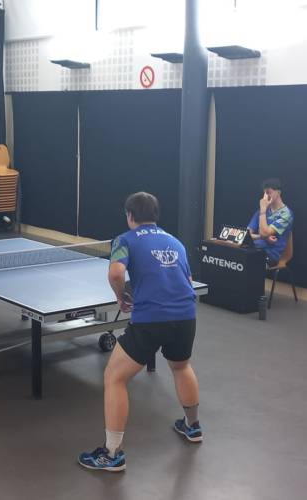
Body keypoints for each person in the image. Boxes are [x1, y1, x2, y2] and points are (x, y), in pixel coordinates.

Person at [78, 192, 201, 473]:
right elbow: (188, 279)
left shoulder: (125, 240)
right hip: (185, 315)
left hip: (151, 319)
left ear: (130, 215)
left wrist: (121, 297)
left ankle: (112, 454)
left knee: (114, 377)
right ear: (156, 215)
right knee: (181, 366)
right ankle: (193, 426)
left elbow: (116, 273)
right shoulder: (175, 242)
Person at [247, 178, 294, 264]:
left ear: (278, 192)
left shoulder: (286, 214)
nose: (265, 196)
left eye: (268, 192)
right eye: (264, 193)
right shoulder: (260, 212)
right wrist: (262, 237)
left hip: (270, 254)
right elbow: (247, 235)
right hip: (255, 249)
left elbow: (265, 233)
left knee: (248, 262)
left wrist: (263, 209)